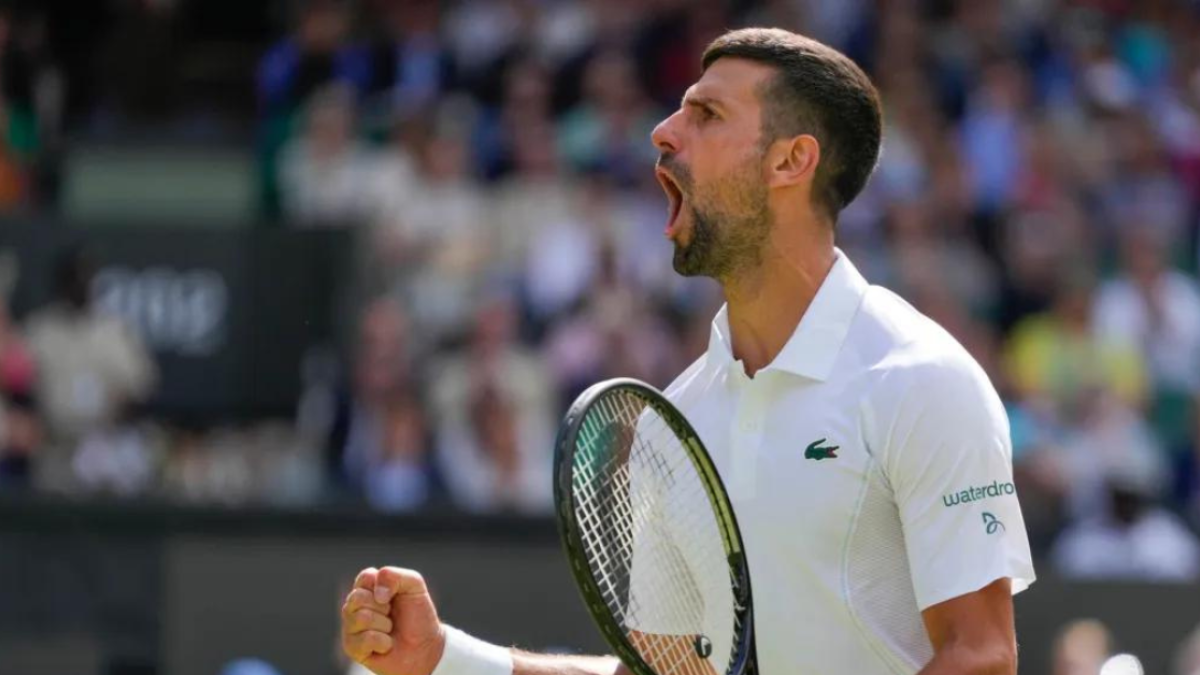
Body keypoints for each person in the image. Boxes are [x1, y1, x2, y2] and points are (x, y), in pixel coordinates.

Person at [340, 27, 1035, 675]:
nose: (663, 131)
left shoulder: (922, 379)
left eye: (706, 116)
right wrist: (443, 657)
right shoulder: (677, 420)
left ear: (791, 159)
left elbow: (980, 654)